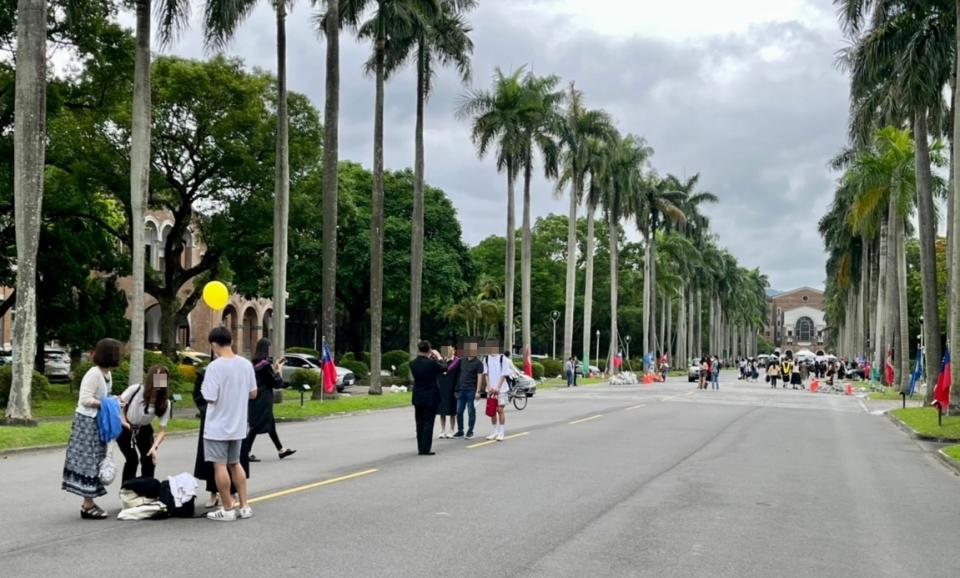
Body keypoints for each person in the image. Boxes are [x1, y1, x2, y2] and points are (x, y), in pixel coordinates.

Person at [62, 338, 123, 519]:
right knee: (89, 462)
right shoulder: (94, 373)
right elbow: (85, 399)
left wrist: (114, 401)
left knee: (97, 460)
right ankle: (87, 505)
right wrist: (108, 404)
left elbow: (103, 396)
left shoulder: (106, 373)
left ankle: (89, 502)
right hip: (87, 423)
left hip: (97, 422)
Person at [202, 327, 258, 522]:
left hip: (217, 425)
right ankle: (244, 506)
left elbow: (210, 397)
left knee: (220, 466)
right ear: (231, 341)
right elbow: (253, 393)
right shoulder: (245, 364)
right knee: (235, 463)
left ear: (214, 344)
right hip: (238, 424)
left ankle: (227, 508)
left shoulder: (215, 367)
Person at [244, 339, 295, 463]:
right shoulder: (264, 365)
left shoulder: (253, 364)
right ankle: (244, 452)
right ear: (266, 349)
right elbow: (275, 382)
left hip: (255, 398)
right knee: (255, 427)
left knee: (270, 425)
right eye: (269, 348)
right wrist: (279, 369)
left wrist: (275, 368)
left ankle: (281, 450)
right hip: (263, 399)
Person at [117, 365, 171, 483]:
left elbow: (162, 430)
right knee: (132, 460)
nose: (159, 381)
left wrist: (154, 447)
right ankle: (127, 491)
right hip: (125, 428)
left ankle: (146, 492)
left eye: (163, 378)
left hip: (144, 429)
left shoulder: (164, 402)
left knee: (148, 459)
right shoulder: (136, 389)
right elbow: (118, 405)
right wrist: (124, 422)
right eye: (157, 377)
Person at [410, 340, 446, 455]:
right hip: (431, 396)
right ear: (429, 350)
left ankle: (420, 447)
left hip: (418, 396)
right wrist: (439, 356)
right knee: (428, 423)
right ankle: (425, 448)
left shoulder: (413, 363)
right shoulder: (432, 363)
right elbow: (444, 367)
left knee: (419, 423)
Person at [484, 349, 518, 441]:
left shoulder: (503, 359)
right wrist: (489, 386)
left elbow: (504, 374)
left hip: (502, 389)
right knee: (492, 411)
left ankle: (501, 432)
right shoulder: (486, 358)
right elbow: (486, 374)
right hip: (490, 389)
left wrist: (498, 387)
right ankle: (495, 431)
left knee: (500, 410)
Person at [453, 341, 483, 440]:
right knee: (459, 411)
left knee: (471, 411)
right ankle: (460, 431)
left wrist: (478, 391)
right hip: (461, 390)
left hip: (471, 390)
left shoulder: (478, 363)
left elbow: (480, 377)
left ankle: (470, 431)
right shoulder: (462, 361)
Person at [437, 345, 460, 439]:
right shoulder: (441, 362)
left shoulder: (456, 362)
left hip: (451, 388)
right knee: (442, 411)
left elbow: (458, 375)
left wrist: (457, 388)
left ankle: (452, 430)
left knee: (452, 411)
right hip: (441, 388)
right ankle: (442, 430)